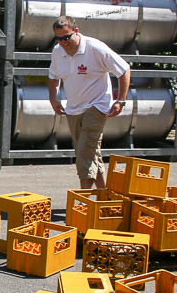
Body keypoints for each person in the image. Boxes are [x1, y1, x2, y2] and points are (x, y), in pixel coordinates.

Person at [47, 15, 131, 189]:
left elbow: (124, 69)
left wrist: (120, 100)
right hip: (73, 109)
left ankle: (84, 200)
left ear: (76, 31)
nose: (63, 42)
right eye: (59, 38)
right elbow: (53, 77)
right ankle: (103, 197)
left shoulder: (95, 48)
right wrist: (53, 99)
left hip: (97, 106)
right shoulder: (58, 51)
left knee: (84, 154)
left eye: (66, 37)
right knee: (90, 152)